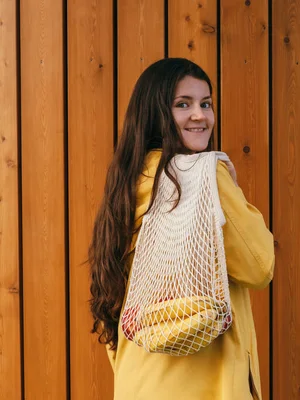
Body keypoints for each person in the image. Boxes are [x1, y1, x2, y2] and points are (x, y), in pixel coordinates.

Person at [88, 58, 274, 400]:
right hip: (203, 387)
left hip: (138, 383)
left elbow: (112, 307)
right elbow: (259, 266)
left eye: (205, 104)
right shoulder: (204, 175)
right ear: (155, 113)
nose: (200, 115)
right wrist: (231, 191)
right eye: (182, 105)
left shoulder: (124, 187)